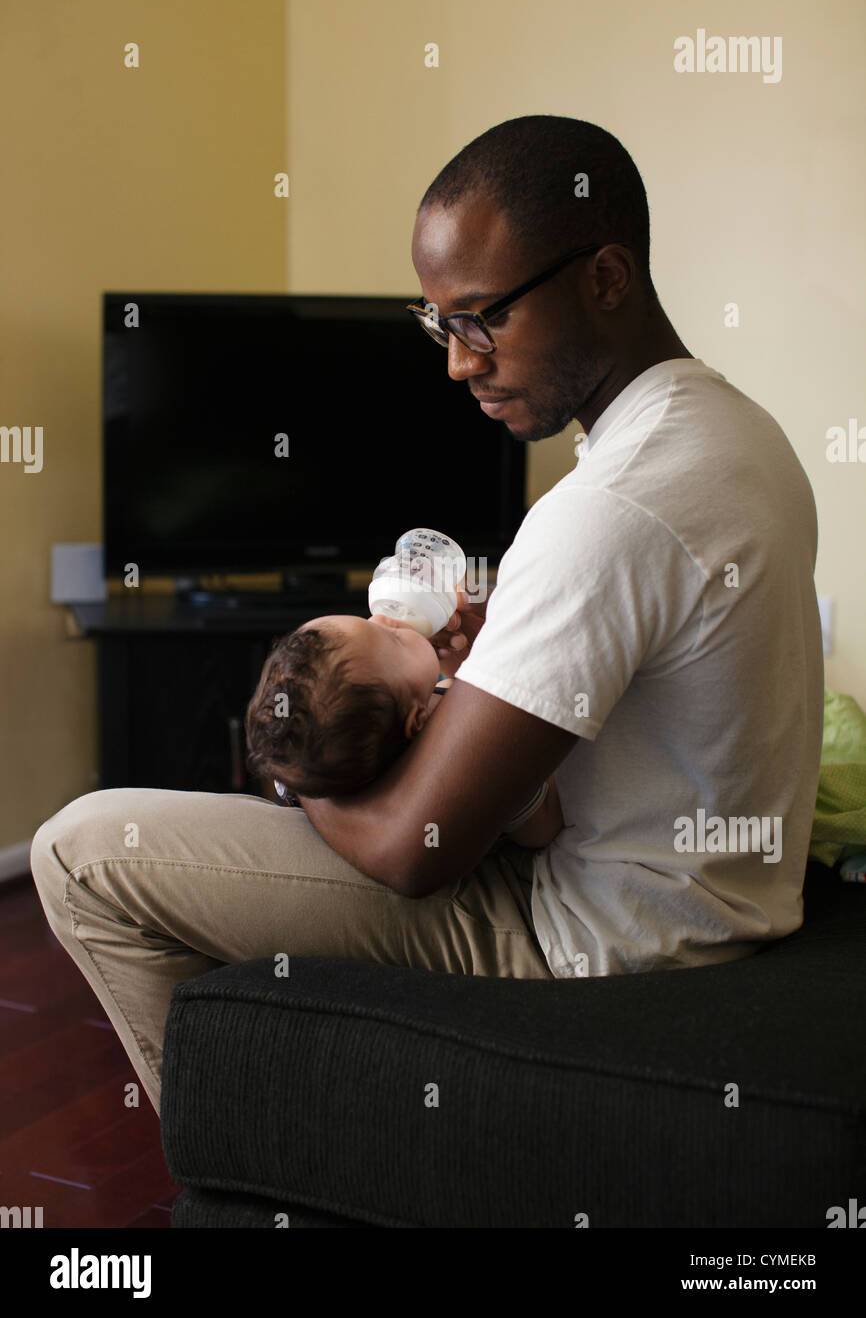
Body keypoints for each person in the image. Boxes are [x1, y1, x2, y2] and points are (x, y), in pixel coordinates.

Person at [29, 115, 824, 1117]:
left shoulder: (606, 509)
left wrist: (289, 761)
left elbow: (417, 850)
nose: (456, 362)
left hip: (595, 937)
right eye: (438, 322)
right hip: (716, 902)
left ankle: (241, 1146)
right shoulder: (739, 433)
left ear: (605, 278)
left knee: (81, 850)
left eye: (482, 316)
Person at [244, 612, 563, 844]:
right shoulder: (471, 753)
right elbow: (543, 829)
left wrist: (458, 674)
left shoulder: (331, 763)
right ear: (417, 721)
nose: (385, 617)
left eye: (369, 621)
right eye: (395, 639)